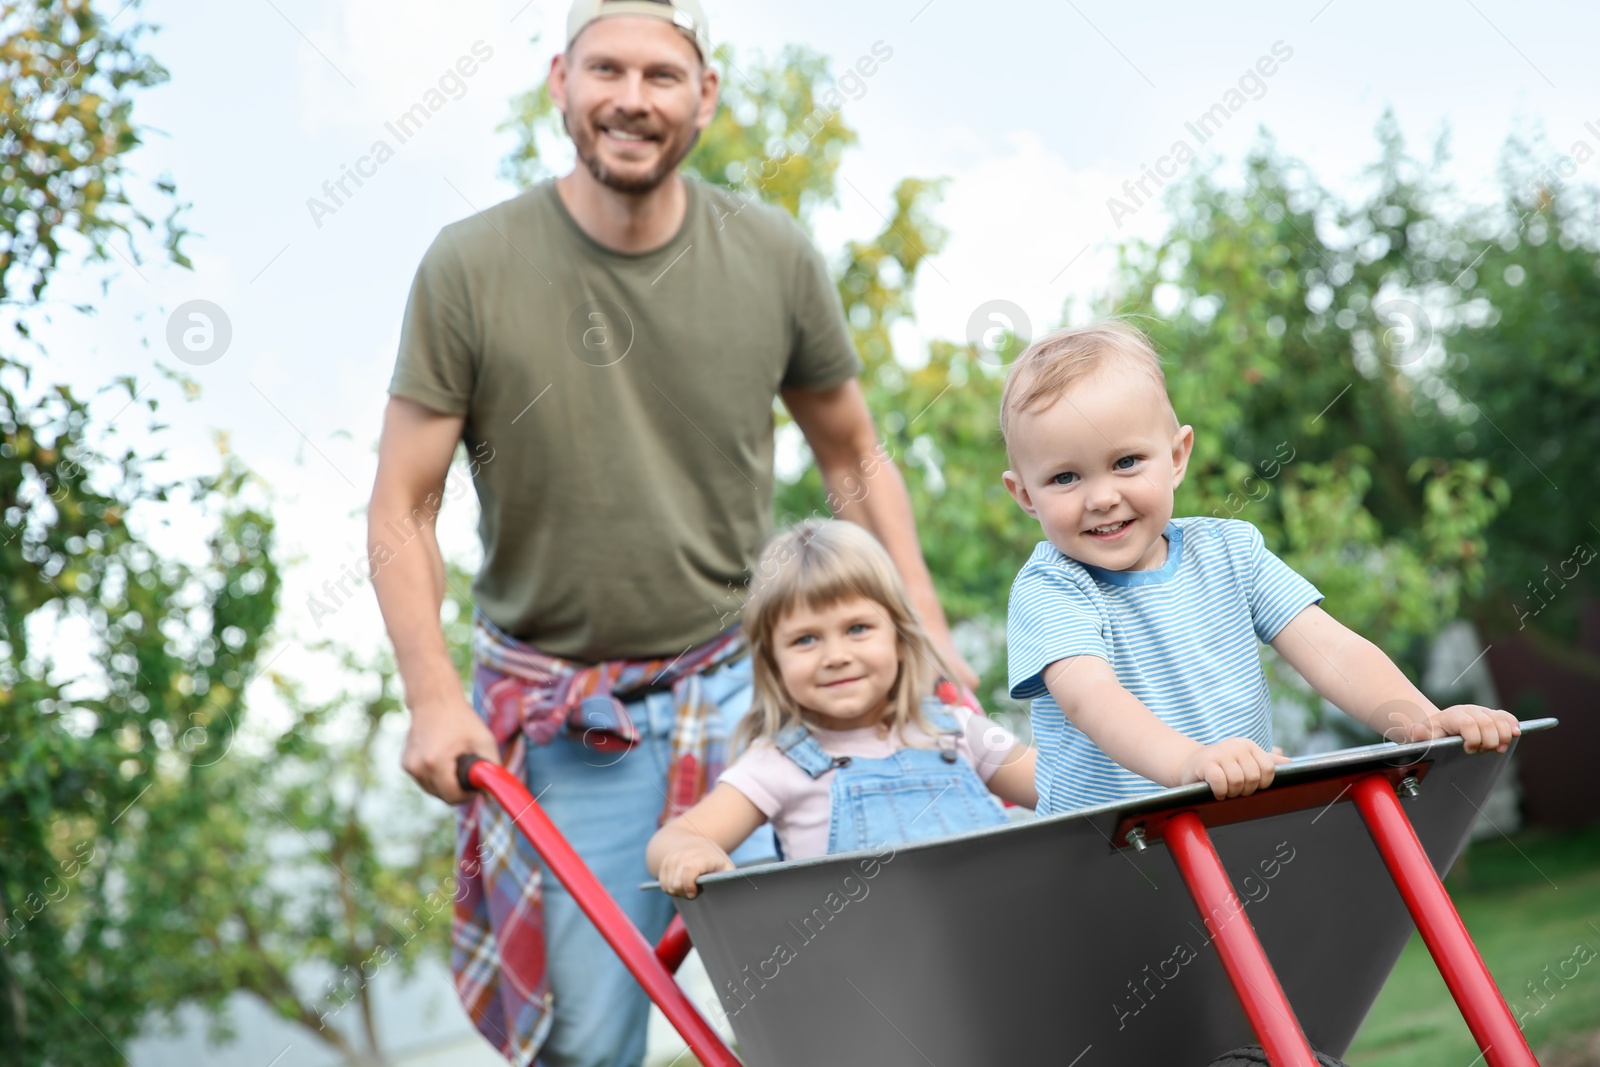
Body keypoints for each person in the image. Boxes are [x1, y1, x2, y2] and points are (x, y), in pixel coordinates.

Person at [367, 1, 977, 1064]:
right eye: (607, 69)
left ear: (707, 95)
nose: (632, 100)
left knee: (864, 985)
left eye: (662, 74)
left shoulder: (774, 254)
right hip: (570, 714)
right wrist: (431, 694)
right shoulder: (469, 265)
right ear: (559, 80)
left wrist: (925, 635)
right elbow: (401, 502)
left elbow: (852, 455)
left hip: (758, 691)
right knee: (595, 1035)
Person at [999, 321, 1522, 816]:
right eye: (1066, 477)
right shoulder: (1052, 588)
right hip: (1108, 852)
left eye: (1126, 462)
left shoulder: (1231, 551)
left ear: (1177, 456)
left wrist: (1421, 722)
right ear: (1024, 494)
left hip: (1227, 818)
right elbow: (1093, 699)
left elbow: (1330, 648)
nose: (1102, 497)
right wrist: (1189, 763)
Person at [647, 520, 1036, 896]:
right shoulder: (779, 763)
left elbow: (1064, 785)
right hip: (860, 957)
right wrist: (692, 852)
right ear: (773, 662)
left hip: (993, 942)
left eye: (857, 629)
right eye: (806, 639)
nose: (836, 656)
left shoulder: (955, 731)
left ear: (899, 637)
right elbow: (673, 839)